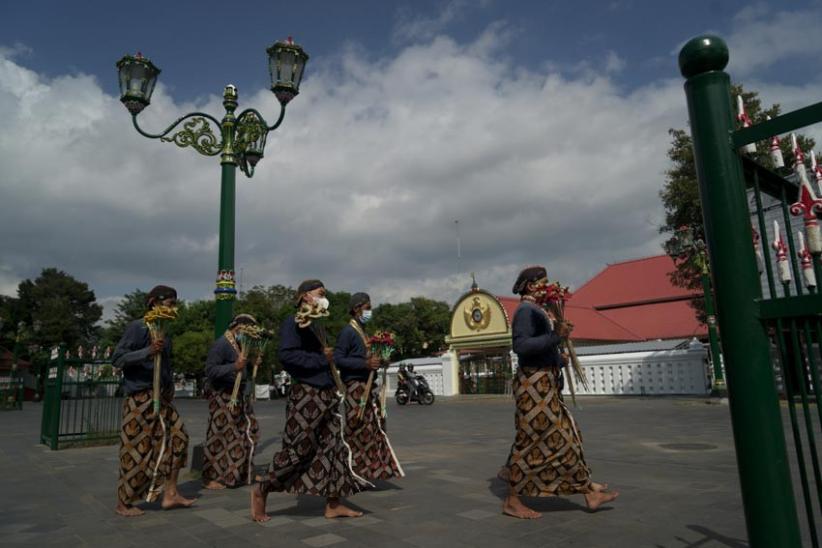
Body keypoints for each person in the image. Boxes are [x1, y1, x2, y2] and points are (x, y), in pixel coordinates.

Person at [501, 266, 618, 519]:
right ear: (531, 286)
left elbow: (540, 346)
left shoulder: (537, 310)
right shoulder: (526, 310)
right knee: (530, 441)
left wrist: (557, 357)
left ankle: (588, 490)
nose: (546, 286)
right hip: (534, 387)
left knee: (566, 436)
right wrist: (555, 336)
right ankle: (512, 500)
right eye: (543, 282)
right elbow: (520, 346)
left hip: (545, 384)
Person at [251, 279, 367, 522]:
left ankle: (334, 503)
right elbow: (287, 355)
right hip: (306, 395)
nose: (324, 297)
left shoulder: (316, 323)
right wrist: (321, 359)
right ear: (305, 296)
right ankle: (262, 488)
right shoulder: (293, 322)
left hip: (327, 393)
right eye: (320, 293)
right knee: (299, 448)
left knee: (334, 448)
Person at [113, 285, 194, 517]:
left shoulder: (164, 331)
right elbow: (118, 359)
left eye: (174, 304)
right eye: (169, 304)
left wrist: (169, 387)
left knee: (179, 439)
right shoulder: (138, 327)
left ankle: (170, 493)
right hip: (140, 398)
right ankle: (124, 501)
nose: (173, 308)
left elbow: (166, 367)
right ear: (153, 303)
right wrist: (147, 351)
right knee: (137, 448)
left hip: (162, 398)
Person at [334, 292, 404, 480]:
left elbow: (369, 359)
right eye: (367, 308)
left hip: (368, 386)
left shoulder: (364, 332)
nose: (369, 312)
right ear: (357, 309)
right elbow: (338, 359)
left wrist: (380, 362)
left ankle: (367, 471)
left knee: (371, 429)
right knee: (357, 429)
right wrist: (364, 365)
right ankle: (352, 470)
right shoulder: (348, 332)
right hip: (355, 387)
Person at [202, 314, 261, 490]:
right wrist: (234, 367)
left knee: (248, 432)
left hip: (238, 395)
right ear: (239, 327)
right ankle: (211, 476)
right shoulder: (222, 344)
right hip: (222, 395)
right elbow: (210, 370)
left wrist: (252, 362)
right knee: (219, 436)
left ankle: (242, 471)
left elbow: (242, 366)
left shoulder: (241, 344)